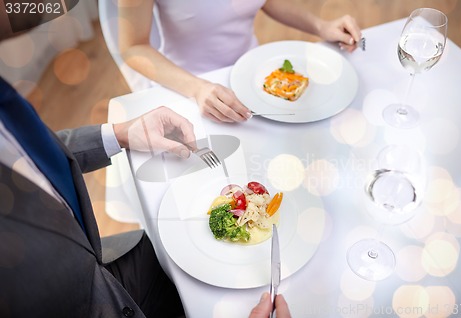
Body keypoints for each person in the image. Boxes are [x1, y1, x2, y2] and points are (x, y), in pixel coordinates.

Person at [0, 4, 291, 317]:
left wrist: (120, 134)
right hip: (78, 303)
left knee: (178, 268)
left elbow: (27, 156)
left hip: (101, 262)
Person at [118, 0, 362, 123]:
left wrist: (321, 26)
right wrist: (197, 88)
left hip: (254, 78)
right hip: (187, 88)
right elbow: (132, 48)